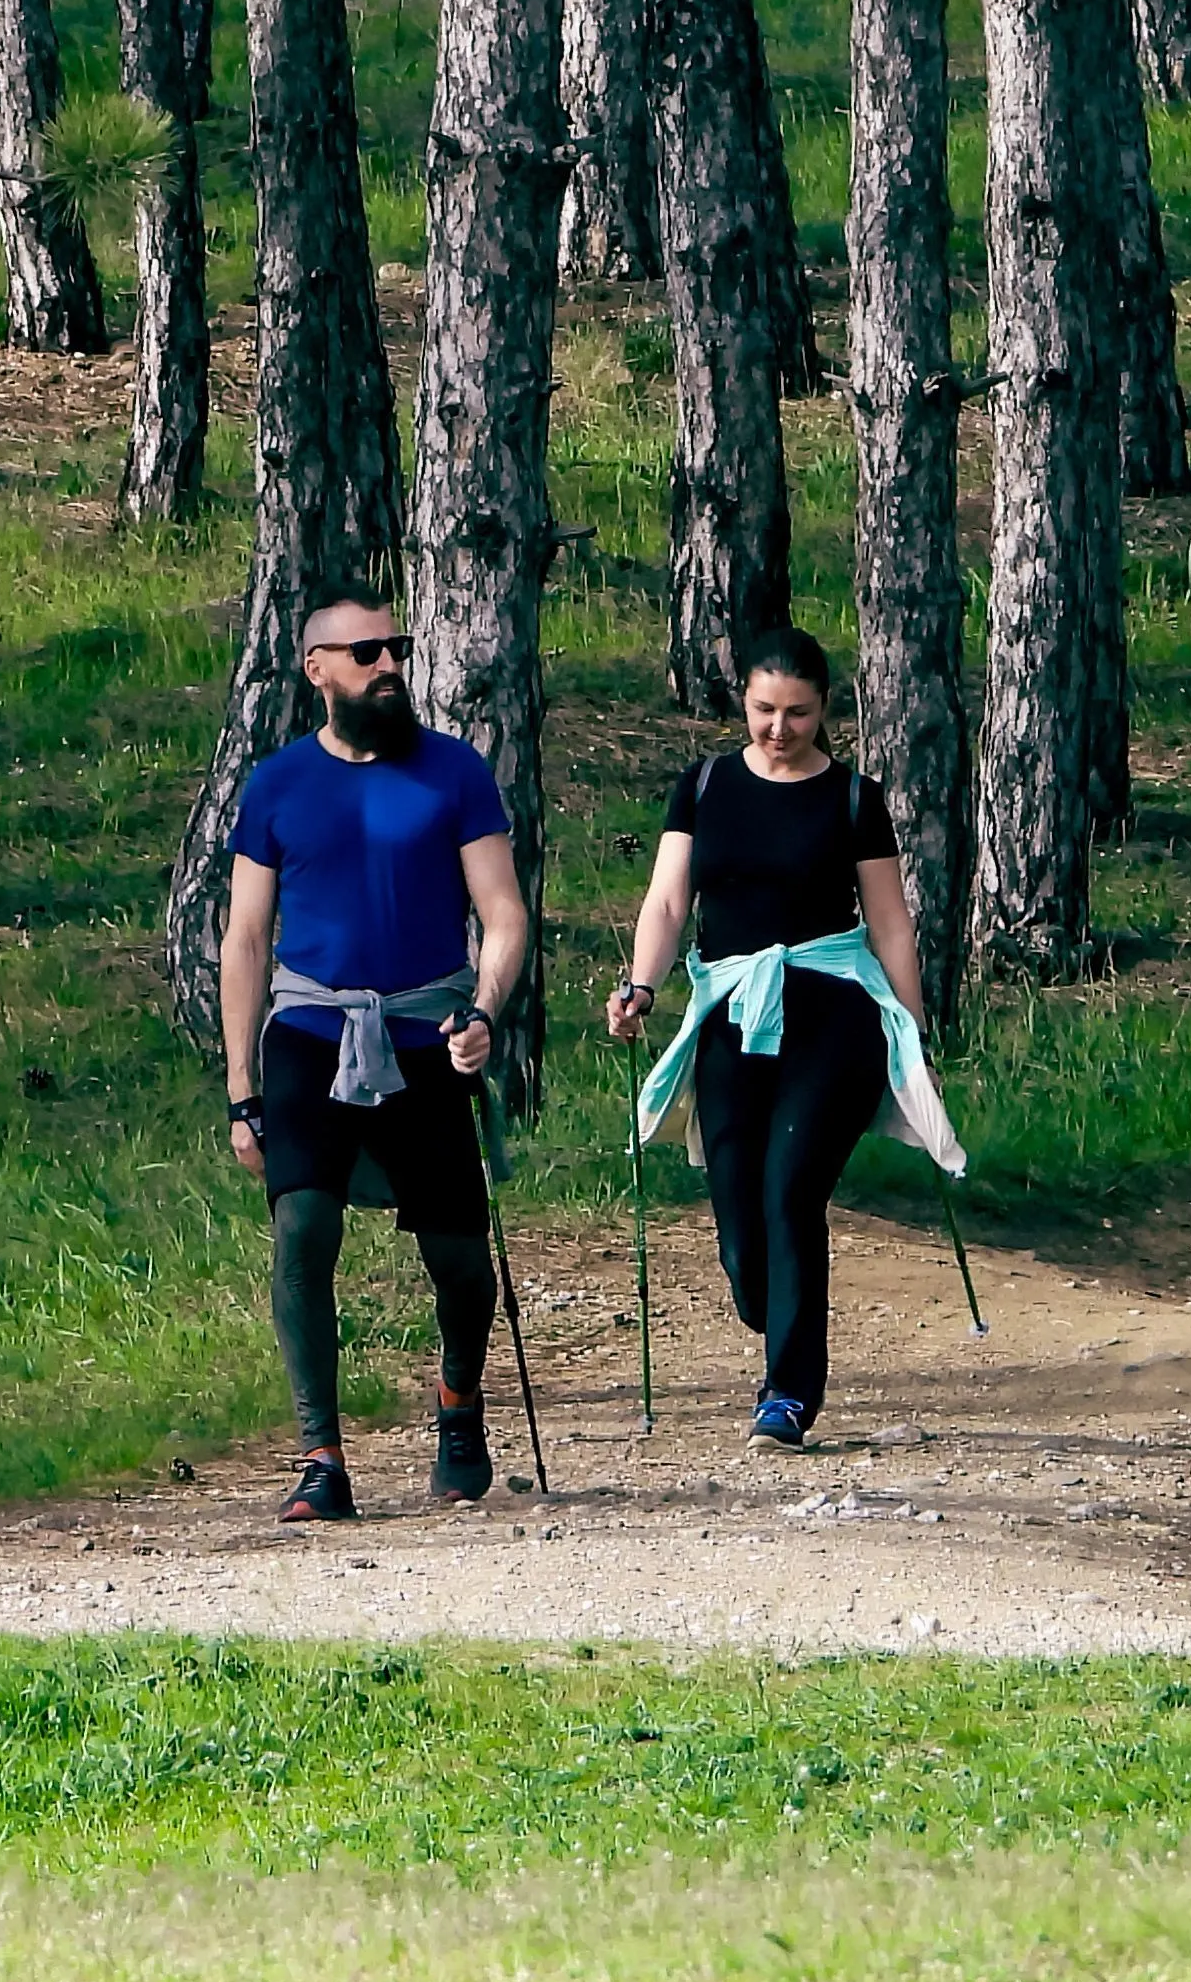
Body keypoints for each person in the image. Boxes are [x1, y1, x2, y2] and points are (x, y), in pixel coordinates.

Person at [218, 592, 535, 1524]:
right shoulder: (275, 785)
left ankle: (458, 1402)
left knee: (460, 1263)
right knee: (303, 1230)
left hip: (427, 1036)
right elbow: (245, 938)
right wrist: (242, 1089)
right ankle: (321, 1455)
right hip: (311, 1034)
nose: (388, 664)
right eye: (366, 652)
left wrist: (483, 1009)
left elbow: (505, 915)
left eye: (396, 647)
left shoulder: (455, 773)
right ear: (317, 670)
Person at [609, 627, 957, 1448]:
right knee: (738, 1208)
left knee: (791, 1187)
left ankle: (789, 1392)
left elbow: (893, 926)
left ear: (823, 710)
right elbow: (667, 904)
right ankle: (770, 1309)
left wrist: (911, 1033)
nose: (779, 728)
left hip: (834, 1014)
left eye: (797, 713)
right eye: (765, 709)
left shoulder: (853, 799)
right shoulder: (704, 787)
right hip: (733, 1008)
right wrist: (641, 986)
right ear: (745, 704)